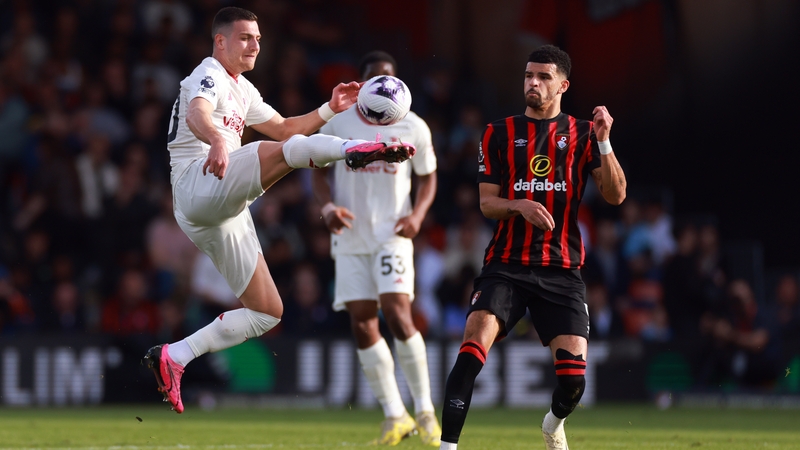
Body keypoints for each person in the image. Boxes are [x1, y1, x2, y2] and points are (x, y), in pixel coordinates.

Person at [142, 7, 415, 414]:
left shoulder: (243, 89)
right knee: (277, 153)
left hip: (218, 208)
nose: (254, 45)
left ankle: (174, 356)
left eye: (258, 39)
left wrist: (329, 108)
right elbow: (198, 112)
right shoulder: (208, 73)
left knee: (267, 311)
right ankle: (352, 150)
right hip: (198, 182)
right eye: (245, 37)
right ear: (220, 41)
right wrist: (216, 140)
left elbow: (287, 128)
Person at [438, 45, 627, 450]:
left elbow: (616, 196)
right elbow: (487, 203)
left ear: (563, 85)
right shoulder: (498, 132)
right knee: (471, 349)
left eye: (543, 77)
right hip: (506, 265)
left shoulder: (583, 133)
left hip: (562, 268)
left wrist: (605, 143)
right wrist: (518, 205)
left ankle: (553, 424)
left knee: (573, 382)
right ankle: (447, 447)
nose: (533, 83)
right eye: (528, 75)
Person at [311, 51, 441, 446]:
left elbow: (428, 176)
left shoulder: (414, 125)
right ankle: (394, 414)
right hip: (350, 235)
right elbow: (316, 168)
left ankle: (425, 410)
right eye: (374, 79)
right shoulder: (339, 122)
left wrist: (418, 214)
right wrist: (328, 207)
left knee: (398, 313)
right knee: (363, 321)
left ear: (397, 82)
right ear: (362, 83)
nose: (382, 86)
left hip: (391, 234)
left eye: (388, 78)